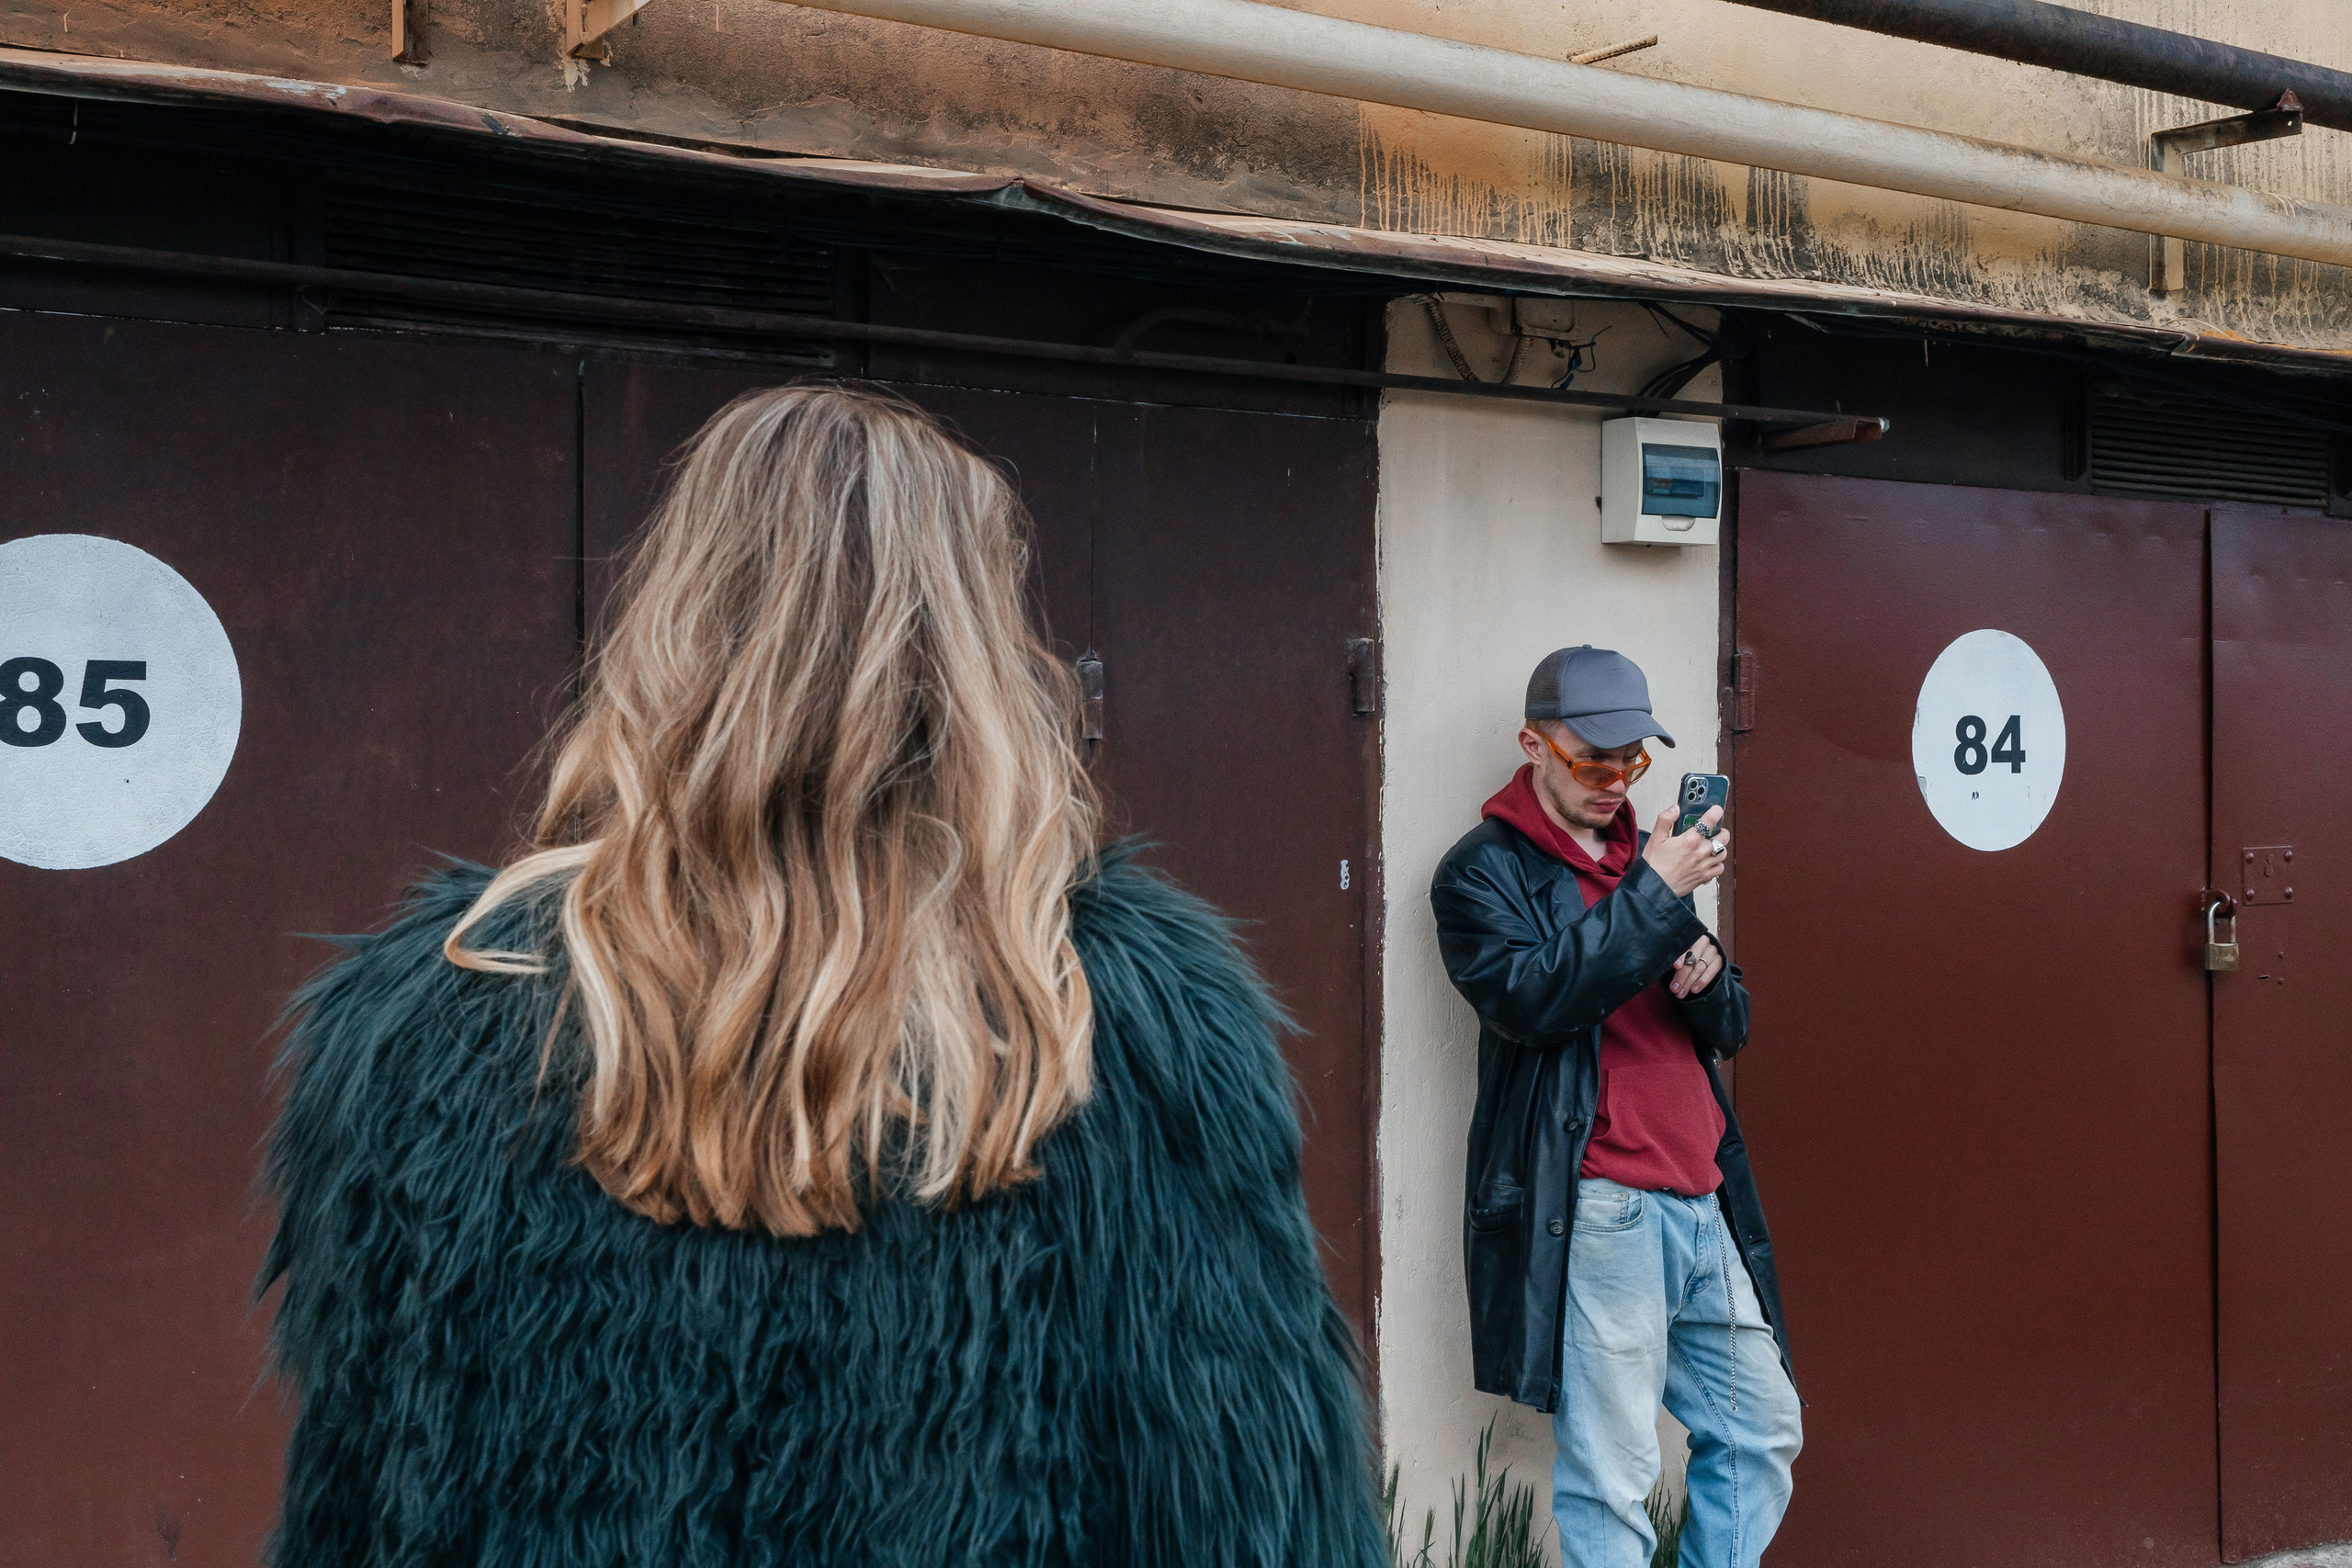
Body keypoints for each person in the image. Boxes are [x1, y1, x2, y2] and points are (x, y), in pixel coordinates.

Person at [259, 385, 1386, 1568]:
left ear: (674, 626)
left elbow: (360, 1494)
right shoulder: (1110, 1026)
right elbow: (1249, 1514)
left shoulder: (430, 1015)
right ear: (976, 665)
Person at [1429, 645, 1802, 1568]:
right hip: (1602, 1205)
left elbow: (1731, 1026)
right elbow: (1530, 1000)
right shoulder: (1482, 875)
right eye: (1595, 762)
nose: (1617, 782)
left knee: (1759, 1432)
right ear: (1533, 745)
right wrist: (1652, 896)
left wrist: (1705, 974)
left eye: (1632, 761)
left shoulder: (1651, 856)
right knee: (1612, 1472)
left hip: (1701, 1193)